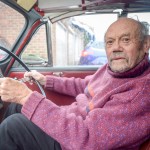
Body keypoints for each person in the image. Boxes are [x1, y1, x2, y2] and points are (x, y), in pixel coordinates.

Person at [0, 17, 150, 150]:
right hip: (72, 125)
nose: (116, 48)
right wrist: (46, 80)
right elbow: (85, 86)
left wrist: (26, 96)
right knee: (16, 107)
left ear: (145, 44)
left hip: (72, 141)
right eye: (110, 42)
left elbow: (88, 139)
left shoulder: (140, 92)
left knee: (12, 127)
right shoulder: (113, 70)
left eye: (125, 40)